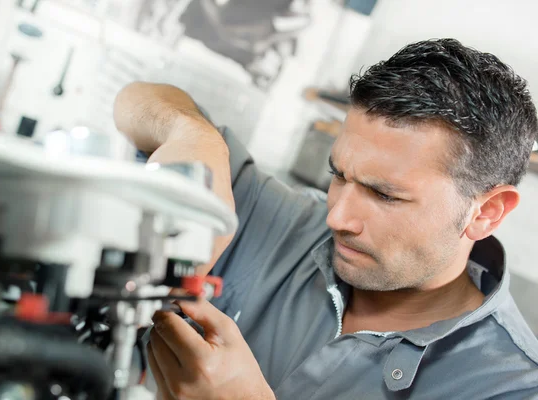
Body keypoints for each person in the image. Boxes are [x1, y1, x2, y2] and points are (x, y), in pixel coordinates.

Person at [113, 39, 538, 399]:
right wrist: (195, 138)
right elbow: (138, 100)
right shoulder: (287, 221)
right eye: (338, 175)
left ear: (486, 212)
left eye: (384, 194)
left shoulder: (509, 387)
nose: (337, 217)